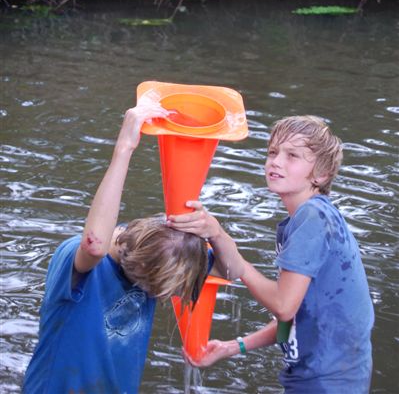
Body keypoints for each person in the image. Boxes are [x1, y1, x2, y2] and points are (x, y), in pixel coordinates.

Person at [168, 115, 375, 393]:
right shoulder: (307, 218)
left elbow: (284, 305)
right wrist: (233, 347)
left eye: (292, 156)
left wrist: (240, 266)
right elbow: (293, 317)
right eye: (273, 152)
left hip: (327, 382)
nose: (276, 161)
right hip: (328, 376)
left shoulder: (312, 218)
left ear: (322, 174)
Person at [23, 100, 212, 394]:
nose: (156, 297)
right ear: (142, 268)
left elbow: (231, 267)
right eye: (154, 291)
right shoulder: (79, 264)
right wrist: (124, 148)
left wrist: (212, 229)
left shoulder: (166, 255)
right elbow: (95, 245)